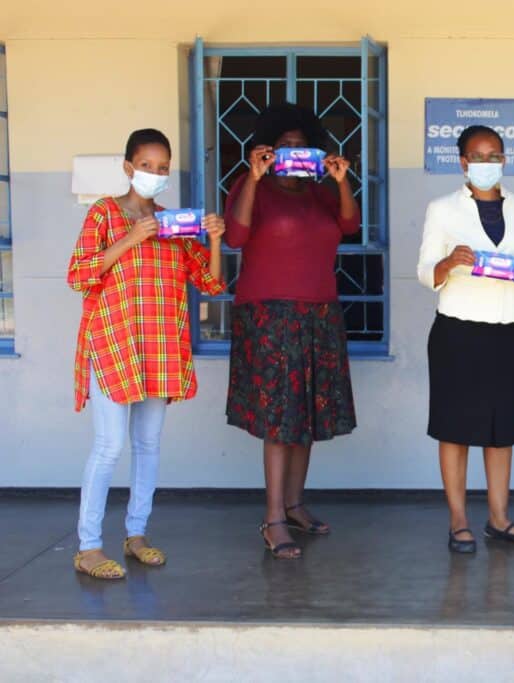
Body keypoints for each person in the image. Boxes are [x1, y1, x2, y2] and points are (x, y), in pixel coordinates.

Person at [67, 128, 227, 579]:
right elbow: (79, 274)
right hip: (114, 343)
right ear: (127, 168)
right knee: (109, 445)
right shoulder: (104, 214)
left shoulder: (174, 225)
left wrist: (214, 239)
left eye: (162, 169)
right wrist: (132, 238)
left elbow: (211, 284)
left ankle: (137, 534)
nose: (154, 175)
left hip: (159, 347)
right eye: (146, 166)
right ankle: (89, 545)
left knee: (148, 446)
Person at [224, 103, 360, 560]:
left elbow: (350, 225)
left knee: (307, 418)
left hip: (319, 313)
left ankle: (295, 504)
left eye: (303, 147)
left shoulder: (321, 192)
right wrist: (255, 176)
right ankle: (273, 518)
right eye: (285, 147)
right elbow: (236, 238)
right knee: (279, 422)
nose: (294, 153)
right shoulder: (251, 187)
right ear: (267, 150)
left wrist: (342, 182)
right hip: (268, 316)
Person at [416, 125, 514, 553]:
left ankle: (498, 518)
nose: (487, 163)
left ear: (504, 160)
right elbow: (424, 272)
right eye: (478, 155)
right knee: (454, 428)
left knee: (501, 429)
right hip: (458, 328)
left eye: (494, 155)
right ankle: (459, 521)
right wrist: (448, 262)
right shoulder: (442, 209)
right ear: (463, 162)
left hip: (511, 328)